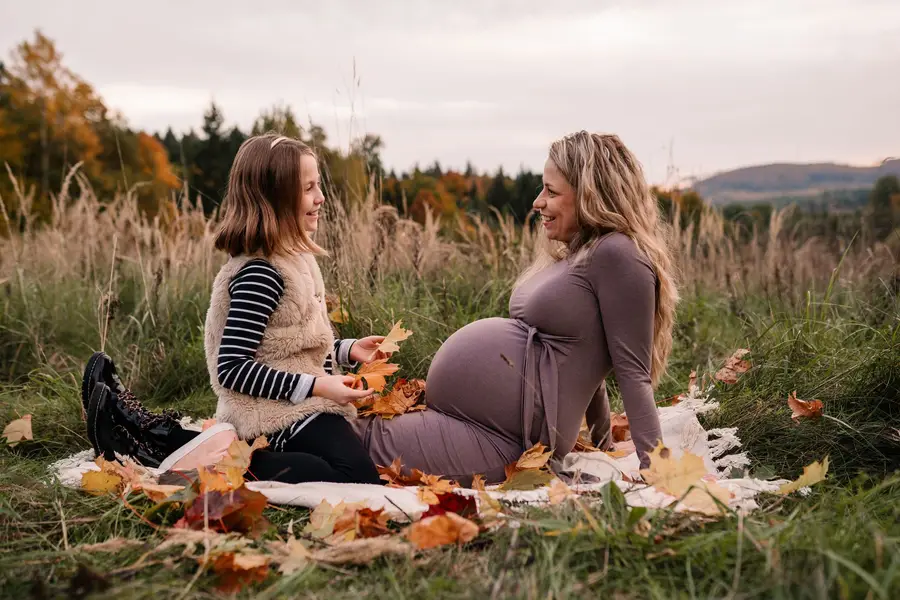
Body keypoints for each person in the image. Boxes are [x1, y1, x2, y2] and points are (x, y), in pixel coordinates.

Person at [85, 130, 677, 485]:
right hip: (476, 418)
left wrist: (653, 470)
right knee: (347, 445)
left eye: (551, 189)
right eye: (542, 186)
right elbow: (581, 354)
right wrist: (595, 436)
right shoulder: (586, 253)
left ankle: (168, 442)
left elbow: (626, 369)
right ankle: (162, 438)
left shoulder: (619, 256)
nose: (536, 200)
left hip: (505, 433)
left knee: (357, 455)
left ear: (592, 191)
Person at [86, 133, 391, 485]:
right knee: (354, 477)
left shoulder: (296, 259)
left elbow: (293, 345)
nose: (320, 198)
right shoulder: (260, 274)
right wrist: (319, 388)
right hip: (269, 413)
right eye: (308, 189)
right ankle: (174, 448)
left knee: (351, 469)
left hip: (297, 403)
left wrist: (347, 349)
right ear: (274, 198)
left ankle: (190, 444)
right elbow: (232, 368)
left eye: (317, 186)